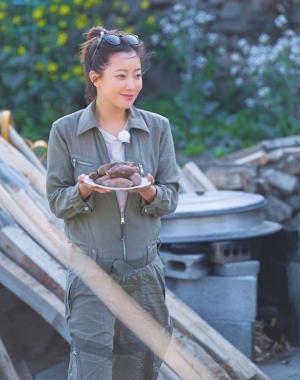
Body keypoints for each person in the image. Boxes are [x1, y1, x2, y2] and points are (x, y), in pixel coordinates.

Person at [46, 26, 180, 380]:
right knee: (92, 366)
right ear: (96, 78)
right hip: (92, 272)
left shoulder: (158, 128)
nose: (131, 85)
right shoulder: (65, 131)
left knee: (141, 366)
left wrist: (148, 191)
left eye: (136, 75)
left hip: (144, 273)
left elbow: (171, 199)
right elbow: (58, 202)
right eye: (121, 75)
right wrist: (86, 190)